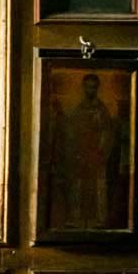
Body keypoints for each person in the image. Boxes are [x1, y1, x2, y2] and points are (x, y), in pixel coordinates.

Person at [48, 72, 121, 229]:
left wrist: (100, 153)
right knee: (77, 185)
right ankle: (75, 219)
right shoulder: (78, 109)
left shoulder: (101, 111)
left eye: (93, 88)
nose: (90, 90)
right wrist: (76, 152)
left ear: (97, 89)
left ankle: (101, 221)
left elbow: (107, 134)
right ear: (83, 88)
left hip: (96, 155)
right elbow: (71, 131)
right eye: (87, 87)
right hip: (81, 155)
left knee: (99, 187)